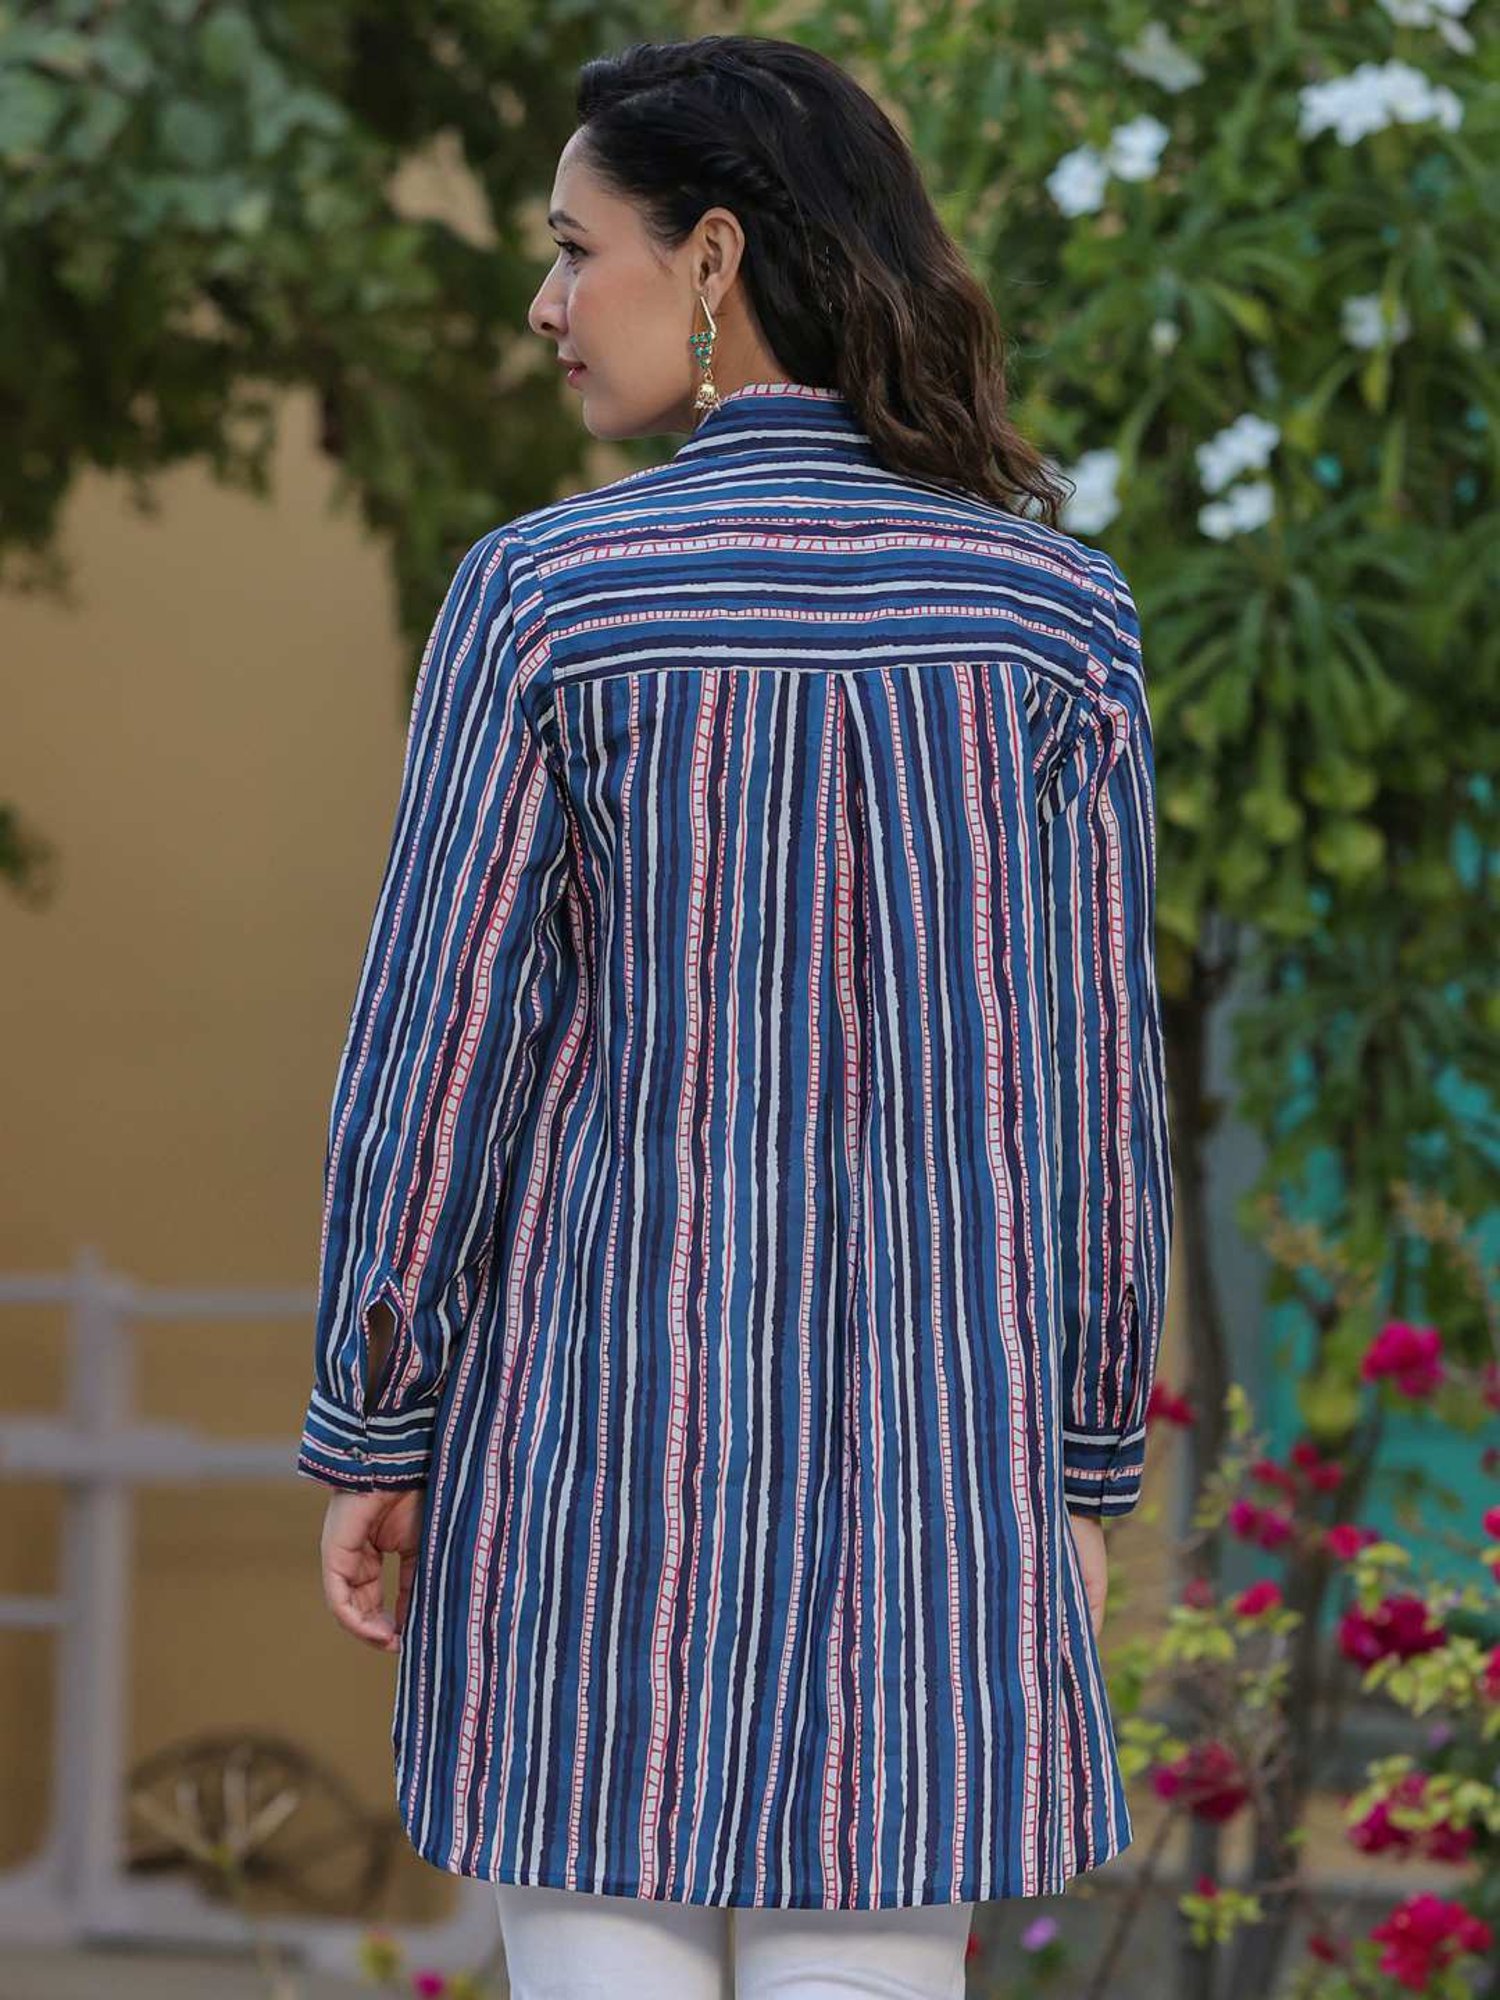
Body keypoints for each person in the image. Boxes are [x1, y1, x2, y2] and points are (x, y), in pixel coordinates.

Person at [297, 32, 1173, 2000]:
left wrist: (376, 1418)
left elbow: (440, 1061)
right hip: (936, 1505)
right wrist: (1083, 1462)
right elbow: (1097, 1099)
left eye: (570, 247)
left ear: (708, 258)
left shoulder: (544, 597)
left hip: (595, 1488)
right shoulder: (1055, 618)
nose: (544, 305)